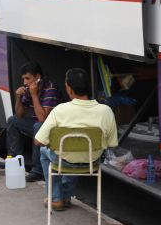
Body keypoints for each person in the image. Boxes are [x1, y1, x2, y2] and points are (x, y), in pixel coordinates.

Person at [35, 68, 118, 210]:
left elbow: (39, 141)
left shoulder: (60, 110)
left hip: (64, 161)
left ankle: (56, 199)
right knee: (78, 152)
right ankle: (66, 196)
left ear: (69, 88)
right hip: (92, 162)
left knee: (46, 152)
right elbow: (112, 143)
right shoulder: (106, 111)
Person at [5, 62, 59, 182]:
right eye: (23, 79)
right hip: (36, 124)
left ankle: (37, 170)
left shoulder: (50, 89)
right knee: (12, 121)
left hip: (52, 128)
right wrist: (18, 98)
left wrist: (34, 95)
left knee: (38, 126)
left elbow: (43, 119)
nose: (25, 82)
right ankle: (14, 161)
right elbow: (19, 115)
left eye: (28, 78)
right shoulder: (29, 89)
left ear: (37, 77)